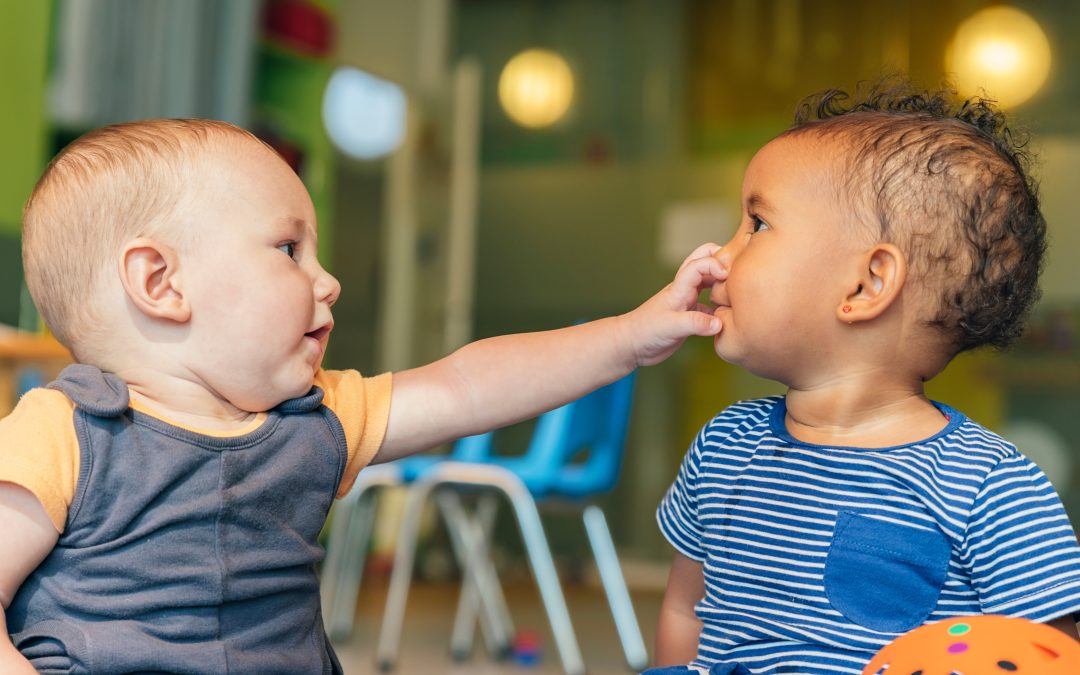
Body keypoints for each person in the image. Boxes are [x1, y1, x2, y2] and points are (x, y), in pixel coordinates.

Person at [0, 118, 727, 674]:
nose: (329, 280)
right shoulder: (65, 432)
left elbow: (468, 386)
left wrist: (630, 335)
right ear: (161, 283)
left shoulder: (317, 418)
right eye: (289, 249)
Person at [650, 80, 1080, 675]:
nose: (718, 256)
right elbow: (685, 608)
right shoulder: (724, 445)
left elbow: (1045, 658)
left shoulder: (988, 486)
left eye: (757, 225)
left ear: (866, 285)